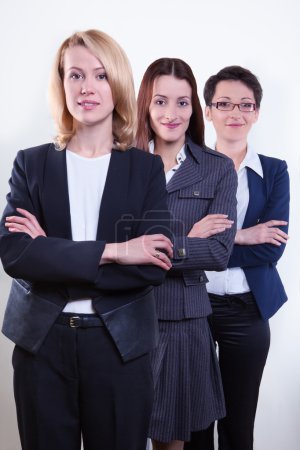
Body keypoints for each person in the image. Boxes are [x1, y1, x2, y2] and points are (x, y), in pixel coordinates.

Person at [0, 29, 174, 450]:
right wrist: (117, 251)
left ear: (117, 84)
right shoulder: (32, 163)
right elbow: (16, 254)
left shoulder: (144, 170)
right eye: (74, 75)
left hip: (119, 347)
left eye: (99, 75)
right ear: (61, 85)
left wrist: (52, 254)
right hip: (42, 345)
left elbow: (153, 265)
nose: (86, 88)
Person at [186, 66, 290, 450]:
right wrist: (243, 235)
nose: (236, 113)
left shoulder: (274, 171)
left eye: (246, 105)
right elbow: (175, 246)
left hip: (248, 309)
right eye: (224, 103)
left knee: (238, 421)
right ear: (208, 110)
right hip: (191, 306)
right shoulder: (185, 168)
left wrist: (206, 247)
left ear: (257, 112)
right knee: (194, 422)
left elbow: (272, 247)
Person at [136, 58, 237, 450]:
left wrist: (152, 245)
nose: (171, 113)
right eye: (161, 101)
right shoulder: (121, 161)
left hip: (182, 321)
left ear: (195, 108)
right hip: (123, 312)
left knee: (170, 441)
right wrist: (187, 235)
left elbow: (217, 251)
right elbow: (110, 239)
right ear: (146, 103)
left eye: (183, 103)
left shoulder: (217, 169)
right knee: (116, 432)